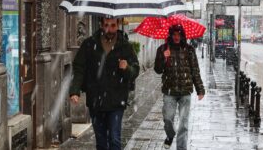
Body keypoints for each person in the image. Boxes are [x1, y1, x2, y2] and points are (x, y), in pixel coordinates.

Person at [69, 18, 140, 150]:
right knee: (101, 143)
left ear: (117, 25)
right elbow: (79, 67)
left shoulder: (125, 46)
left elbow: (136, 70)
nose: (109, 29)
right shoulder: (89, 44)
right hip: (96, 100)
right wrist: (74, 90)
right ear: (101, 25)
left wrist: (127, 68)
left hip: (117, 100)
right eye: (106, 25)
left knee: (114, 139)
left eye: (113, 25)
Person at [154, 25, 205, 150]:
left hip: (185, 92)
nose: (177, 37)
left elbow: (195, 71)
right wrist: (163, 58)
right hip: (169, 92)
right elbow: (157, 70)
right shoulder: (163, 49)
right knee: (167, 119)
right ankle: (170, 135)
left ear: (183, 35)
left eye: (179, 34)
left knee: (183, 125)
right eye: (174, 34)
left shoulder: (189, 50)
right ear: (170, 35)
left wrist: (200, 89)